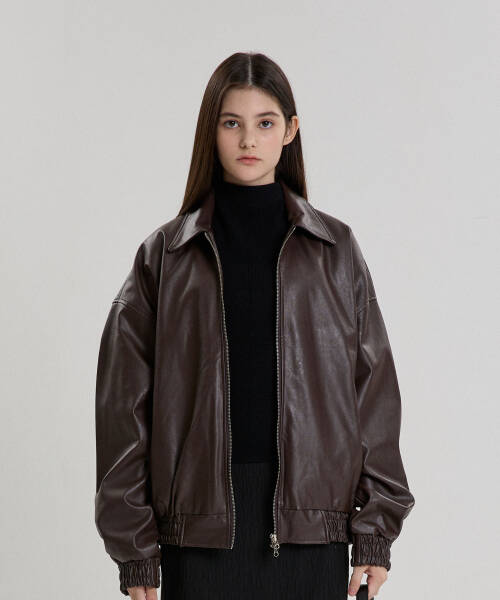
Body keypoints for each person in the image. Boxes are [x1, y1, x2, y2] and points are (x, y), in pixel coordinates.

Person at [94, 52, 415, 600]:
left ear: (290, 130)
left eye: (265, 123)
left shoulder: (335, 251)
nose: (248, 139)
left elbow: (374, 393)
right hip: (197, 535)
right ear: (211, 131)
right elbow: (123, 411)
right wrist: (135, 551)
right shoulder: (165, 256)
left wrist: (375, 532)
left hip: (312, 529)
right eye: (231, 123)